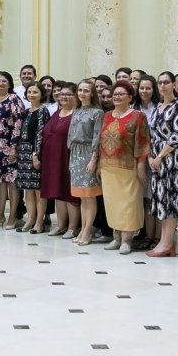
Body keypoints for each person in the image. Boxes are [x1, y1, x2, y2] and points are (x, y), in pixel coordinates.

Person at [98, 81, 149, 254]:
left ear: (130, 97)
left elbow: (143, 142)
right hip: (107, 167)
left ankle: (127, 239)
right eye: (115, 94)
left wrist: (141, 166)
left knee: (128, 204)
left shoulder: (137, 116)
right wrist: (98, 163)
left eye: (121, 94)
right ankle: (116, 236)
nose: (117, 97)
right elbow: (101, 142)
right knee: (112, 204)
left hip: (128, 167)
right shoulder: (107, 116)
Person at [146, 72, 178, 257]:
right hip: (156, 162)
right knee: (161, 201)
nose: (163, 85)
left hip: (172, 161)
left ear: (173, 85)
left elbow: (176, 136)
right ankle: (164, 242)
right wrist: (150, 157)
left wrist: (160, 156)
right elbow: (152, 134)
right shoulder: (157, 108)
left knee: (170, 201)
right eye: (160, 82)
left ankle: (167, 242)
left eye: (166, 82)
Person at [0, 71, 24, 228]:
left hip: (9, 147)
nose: (0, 83)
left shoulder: (14, 99)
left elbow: (18, 124)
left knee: (12, 182)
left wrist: (14, 146)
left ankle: (12, 217)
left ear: (9, 84)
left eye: (4, 81)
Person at [66, 80, 102, 244]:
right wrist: (71, 158)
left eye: (86, 90)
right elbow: (70, 135)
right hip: (76, 154)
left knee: (90, 195)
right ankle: (82, 229)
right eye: (80, 90)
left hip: (88, 153)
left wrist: (94, 160)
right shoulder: (77, 111)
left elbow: (97, 137)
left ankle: (88, 231)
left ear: (92, 93)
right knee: (81, 196)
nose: (82, 93)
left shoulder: (97, 112)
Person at [14, 83, 49, 233]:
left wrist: (36, 155)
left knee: (38, 190)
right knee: (27, 189)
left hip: (35, 152)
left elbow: (40, 134)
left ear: (41, 94)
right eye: (30, 92)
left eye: (35, 92)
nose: (32, 94)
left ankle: (39, 222)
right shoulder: (27, 111)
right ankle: (30, 219)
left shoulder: (43, 111)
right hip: (23, 152)